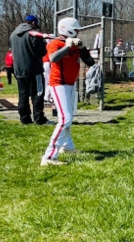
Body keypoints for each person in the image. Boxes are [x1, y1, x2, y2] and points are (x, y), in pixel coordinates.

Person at [40, 17, 95, 166]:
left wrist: (82, 49)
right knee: (65, 119)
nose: (77, 32)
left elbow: (90, 62)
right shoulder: (56, 43)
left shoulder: (76, 45)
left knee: (67, 118)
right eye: (76, 30)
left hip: (71, 84)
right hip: (59, 84)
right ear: (68, 29)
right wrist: (67, 46)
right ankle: (49, 157)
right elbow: (53, 58)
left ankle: (67, 147)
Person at [9, 14, 52, 125]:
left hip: (19, 70)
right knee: (37, 94)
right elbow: (42, 51)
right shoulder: (33, 34)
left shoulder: (13, 34)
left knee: (23, 95)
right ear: (33, 23)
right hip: (34, 69)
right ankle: (39, 118)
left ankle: (25, 118)